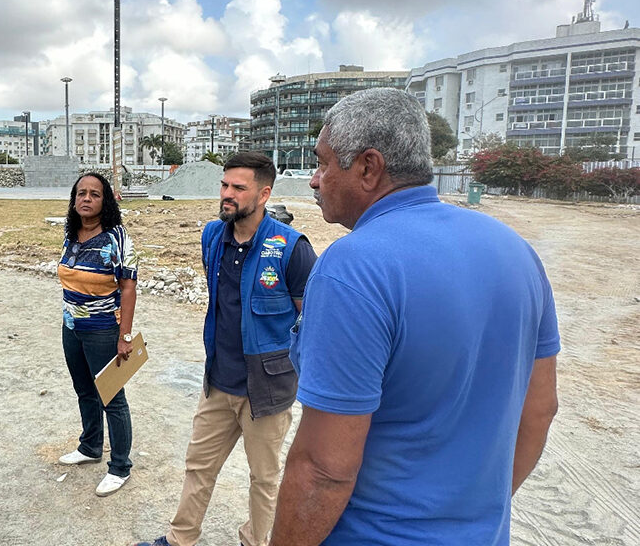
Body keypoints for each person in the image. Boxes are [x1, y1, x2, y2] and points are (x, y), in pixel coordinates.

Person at [270, 88, 560, 545]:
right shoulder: (516, 252)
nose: (312, 179)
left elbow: (324, 468)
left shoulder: (353, 268)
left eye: (324, 163)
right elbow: (540, 411)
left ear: (368, 167)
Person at [136, 152, 317, 546]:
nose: (227, 195)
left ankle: (255, 541)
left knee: (264, 480)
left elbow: (312, 323)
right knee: (198, 467)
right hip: (218, 382)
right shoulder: (212, 236)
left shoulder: (291, 248)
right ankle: (180, 538)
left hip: (266, 391)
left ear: (264, 193)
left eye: (239, 188)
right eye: (224, 185)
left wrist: (299, 378)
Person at [56, 172, 138, 497]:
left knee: (112, 398)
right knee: (84, 390)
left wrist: (125, 336)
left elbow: (129, 287)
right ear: (74, 199)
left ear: (105, 202)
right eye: (81, 193)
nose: (86, 199)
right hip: (72, 327)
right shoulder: (71, 234)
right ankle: (90, 446)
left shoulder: (116, 237)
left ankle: (120, 466)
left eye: (94, 194)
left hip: (104, 330)